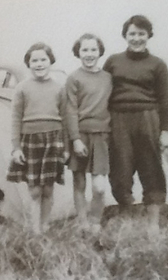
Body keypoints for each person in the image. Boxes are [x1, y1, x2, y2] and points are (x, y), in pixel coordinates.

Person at [103, 15, 168, 234]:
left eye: (141, 34)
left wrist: (166, 131)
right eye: (132, 33)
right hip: (118, 118)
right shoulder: (113, 61)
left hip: (147, 117)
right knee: (120, 169)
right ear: (125, 35)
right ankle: (127, 216)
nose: (136, 38)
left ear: (148, 36)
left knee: (151, 167)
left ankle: (153, 224)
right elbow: (102, 93)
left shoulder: (158, 64)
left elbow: (165, 100)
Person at [6, 42, 68, 234]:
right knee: (34, 190)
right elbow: (16, 118)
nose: (39, 64)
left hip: (53, 140)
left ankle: (46, 225)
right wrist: (16, 148)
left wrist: (66, 148)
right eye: (34, 60)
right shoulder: (22, 88)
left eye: (43, 59)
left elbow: (65, 118)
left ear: (51, 61)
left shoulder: (59, 88)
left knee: (48, 189)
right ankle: (35, 230)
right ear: (28, 63)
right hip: (30, 141)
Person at [65, 33, 112, 233]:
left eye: (93, 49)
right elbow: (70, 110)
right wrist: (75, 139)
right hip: (80, 135)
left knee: (99, 186)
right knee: (79, 181)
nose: (89, 54)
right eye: (85, 50)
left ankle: (95, 221)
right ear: (78, 52)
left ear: (100, 52)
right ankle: (82, 221)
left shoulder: (108, 78)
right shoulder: (74, 78)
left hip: (101, 136)